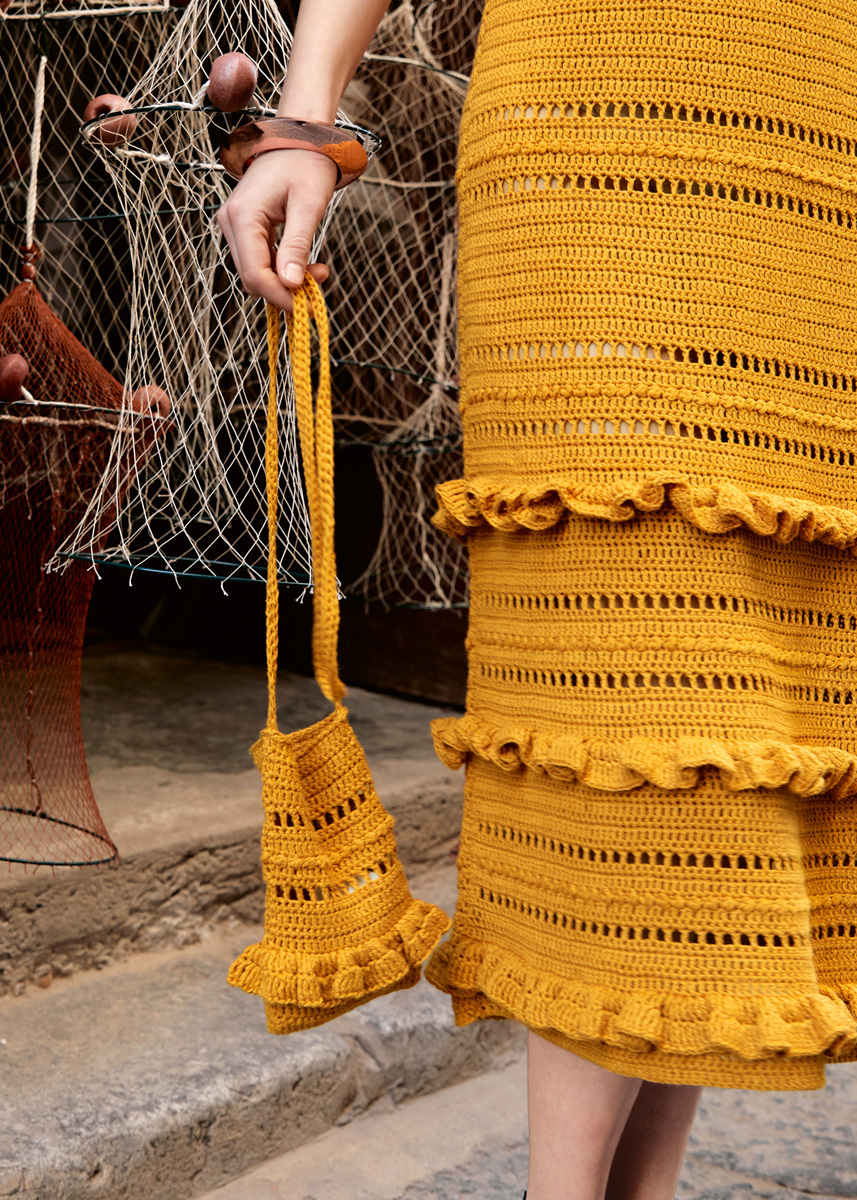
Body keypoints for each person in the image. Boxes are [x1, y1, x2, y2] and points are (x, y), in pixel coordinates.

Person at [218, 2, 857, 1197]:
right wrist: (304, 118)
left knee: (728, 739)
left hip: (815, 158)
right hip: (589, 142)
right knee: (632, 681)